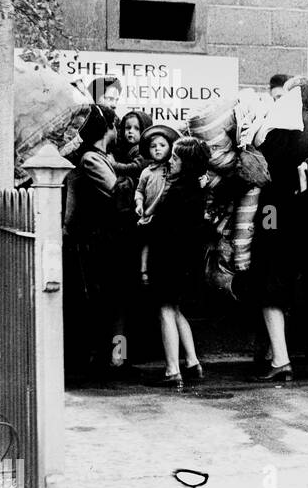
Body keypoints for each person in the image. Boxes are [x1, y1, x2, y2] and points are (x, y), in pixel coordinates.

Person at [250, 77, 308, 382]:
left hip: (276, 210)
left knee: (270, 285)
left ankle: (280, 360)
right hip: (305, 214)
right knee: (285, 284)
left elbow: (270, 159)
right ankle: (278, 353)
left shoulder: (289, 124)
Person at [62, 105, 129, 382]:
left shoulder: (103, 156)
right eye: (116, 126)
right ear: (109, 128)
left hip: (104, 239)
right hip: (96, 241)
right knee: (107, 303)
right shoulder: (92, 159)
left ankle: (117, 358)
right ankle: (109, 360)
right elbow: (117, 191)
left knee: (115, 303)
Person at [144, 137, 212, 389]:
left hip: (169, 260)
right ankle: (193, 362)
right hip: (186, 262)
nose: (170, 161)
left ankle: (173, 370)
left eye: (175, 158)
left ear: (187, 163)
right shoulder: (196, 189)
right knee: (176, 310)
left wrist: (146, 223)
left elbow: (161, 229)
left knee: (165, 310)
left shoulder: (178, 193)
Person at [135, 124, 178, 279]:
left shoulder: (173, 168)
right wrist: (139, 204)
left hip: (165, 215)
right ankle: (143, 271)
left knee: (163, 245)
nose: (158, 149)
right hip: (148, 213)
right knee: (146, 242)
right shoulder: (147, 172)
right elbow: (139, 191)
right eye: (153, 146)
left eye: (162, 145)